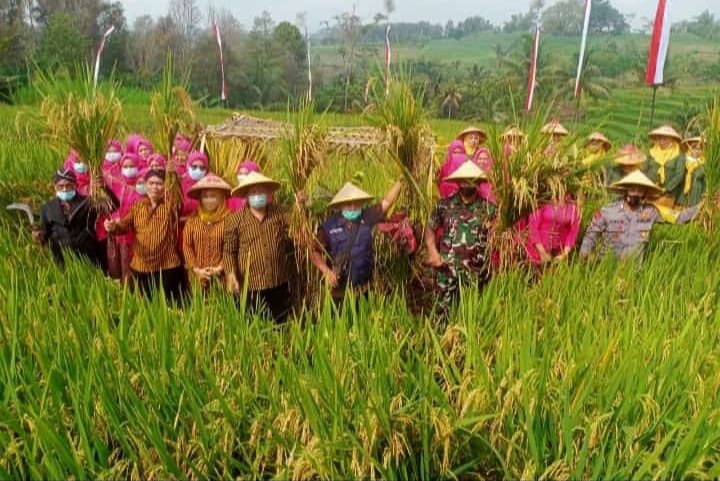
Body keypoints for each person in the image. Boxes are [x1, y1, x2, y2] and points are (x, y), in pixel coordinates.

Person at [310, 180, 402, 306]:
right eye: (349, 203)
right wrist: (326, 272)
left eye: (356, 203)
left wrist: (400, 181)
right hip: (339, 294)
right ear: (341, 205)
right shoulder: (329, 226)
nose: (353, 207)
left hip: (364, 291)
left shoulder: (367, 216)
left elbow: (387, 202)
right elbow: (314, 251)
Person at [425, 161, 496, 317]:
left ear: (478, 182)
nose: (466, 183)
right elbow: (430, 228)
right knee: (441, 317)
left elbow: (500, 238)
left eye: (471, 179)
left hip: (476, 275)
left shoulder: (489, 209)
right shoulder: (444, 205)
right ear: (457, 182)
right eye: (463, 179)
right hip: (446, 272)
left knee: (472, 318)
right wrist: (432, 252)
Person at [223, 171, 296, 323]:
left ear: (268, 193)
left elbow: (296, 222)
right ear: (246, 195)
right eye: (254, 192)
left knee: (280, 323)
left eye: (261, 191)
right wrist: (231, 274)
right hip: (251, 284)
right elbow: (229, 251)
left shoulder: (280, 212)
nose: (258, 195)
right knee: (254, 324)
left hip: (277, 280)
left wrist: (300, 204)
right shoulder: (235, 220)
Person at [104, 168, 185, 303]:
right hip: (141, 266)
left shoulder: (170, 206)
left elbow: (178, 200)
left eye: (159, 183)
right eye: (151, 183)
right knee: (146, 304)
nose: (155, 187)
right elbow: (125, 225)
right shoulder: (138, 206)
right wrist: (113, 227)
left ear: (165, 186)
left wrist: (173, 176)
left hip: (167, 265)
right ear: (146, 185)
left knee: (168, 305)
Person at [579, 170, 700, 261]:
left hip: (633, 271)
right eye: (632, 189)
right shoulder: (608, 211)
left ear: (645, 194)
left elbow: (679, 217)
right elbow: (591, 234)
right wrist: (584, 255)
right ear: (625, 190)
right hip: (606, 267)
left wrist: (702, 206)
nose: (635, 194)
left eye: (640, 190)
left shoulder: (651, 211)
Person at [32, 169, 118, 268]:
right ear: (55, 187)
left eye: (68, 185)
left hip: (88, 256)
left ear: (75, 186)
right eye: (60, 186)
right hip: (62, 259)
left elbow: (113, 206)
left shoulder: (87, 202)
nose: (64, 189)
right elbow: (45, 233)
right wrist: (38, 236)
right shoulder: (48, 208)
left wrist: (104, 187)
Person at [182, 174, 233, 291]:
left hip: (222, 277)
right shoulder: (193, 219)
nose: (209, 200)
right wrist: (196, 269)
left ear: (221, 198)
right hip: (197, 277)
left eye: (213, 196)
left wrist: (219, 268)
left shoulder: (230, 219)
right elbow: (187, 245)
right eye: (205, 196)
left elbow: (232, 246)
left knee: (221, 301)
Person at [107, 153, 144, 282]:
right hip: (120, 233)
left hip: (137, 236)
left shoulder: (142, 187)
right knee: (121, 266)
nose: (129, 169)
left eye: (132, 166)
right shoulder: (117, 185)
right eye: (125, 166)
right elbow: (112, 205)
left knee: (134, 269)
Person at [525, 195, 581, 267]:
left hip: (559, 252)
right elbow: (533, 227)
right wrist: (542, 252)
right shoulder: (542, 200)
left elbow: (573, 232)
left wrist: (564, 253)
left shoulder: (573, 208)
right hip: (537, 248)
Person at [645, 124, 684, 206]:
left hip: (668, 194)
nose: (661, 141)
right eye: (659, 138)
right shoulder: (651, 152)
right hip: (649, 191)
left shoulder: (679, 155)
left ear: (672, 139)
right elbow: (644, 169)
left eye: (665, 138)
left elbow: (679, 175)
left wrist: (666, 189)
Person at [675, 136, 706, 208]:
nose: (697, 151)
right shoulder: (684, 159)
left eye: (700, 149)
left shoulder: (704, 162)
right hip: (683, 185)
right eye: (694, 148)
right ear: (689, 148)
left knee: (694, 206)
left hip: (697, 189)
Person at [181, 151, 210, 218]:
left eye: (202, 168)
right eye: (194, 166)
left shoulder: (208, 186)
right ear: (188, 166)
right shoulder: (180, 185)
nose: (198, 170)